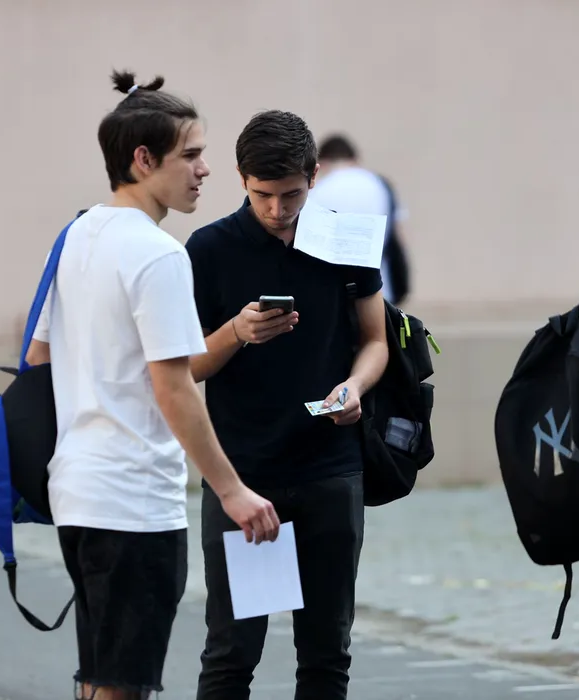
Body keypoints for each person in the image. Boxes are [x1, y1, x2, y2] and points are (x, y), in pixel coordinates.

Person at [26, 70, 280, 700]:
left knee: (100, 676)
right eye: (190, 155)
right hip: (133, 501)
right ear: (144, 160)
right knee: (123, 684)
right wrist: (232, 491)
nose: (204, 169)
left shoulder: (77, 234)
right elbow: (174, 387)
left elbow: (38, 356)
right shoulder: (158, 254)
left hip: (77, 490)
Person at [184, 110, 389, 700]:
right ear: (242, 181)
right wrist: (236, 332)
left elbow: (375, 341)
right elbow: (187, 366)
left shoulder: (343, 237)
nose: (277, 210)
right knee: (233, 655)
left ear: (314, 176)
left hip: (329, 472)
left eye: (292, 194)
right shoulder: (211, 248)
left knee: (325, 655)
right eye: (263, 195)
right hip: (248, 481)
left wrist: (355, 387)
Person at [309, 133, 412, 305]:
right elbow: (398, 236)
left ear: (322, 163)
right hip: (380, 291)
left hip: (332, 295)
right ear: (355, 159)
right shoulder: (381, 185)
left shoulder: (316, 191)